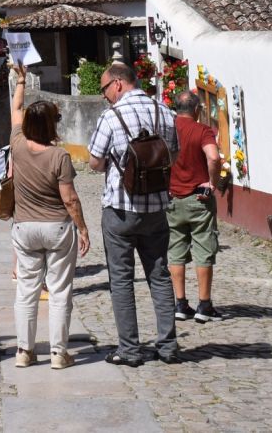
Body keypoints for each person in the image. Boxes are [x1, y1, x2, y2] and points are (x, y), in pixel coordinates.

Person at [86, 61, 179, 367]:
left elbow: (95, 162)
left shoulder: (111, 117)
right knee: (160, 275)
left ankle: (129, 350)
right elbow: (173, 155)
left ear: (117, 84)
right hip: (156, 208)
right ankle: (168, 346)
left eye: (104, 89)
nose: (104, 96)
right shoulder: (165, 112)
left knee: (122, 279)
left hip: (120, 209)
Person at [7, 62, 88, 370]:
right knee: (59, 290)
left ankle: (24, 351)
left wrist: (21, 81)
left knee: (26, 290)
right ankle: (58, 353)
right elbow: (70, 199)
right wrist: (82, 228)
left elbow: (16, 109)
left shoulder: (17, 145)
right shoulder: (59, 156)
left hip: (25, 228)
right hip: (56, 227)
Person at [167, 89, 224, 324]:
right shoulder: (202, 130)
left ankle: (180, 303)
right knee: (204, 249)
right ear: (197, 109)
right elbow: (214, 157)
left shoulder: (167, 129)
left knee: (175, 251)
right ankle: (204, 305)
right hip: (198, 199)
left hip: (171, 198)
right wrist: (213, 182)